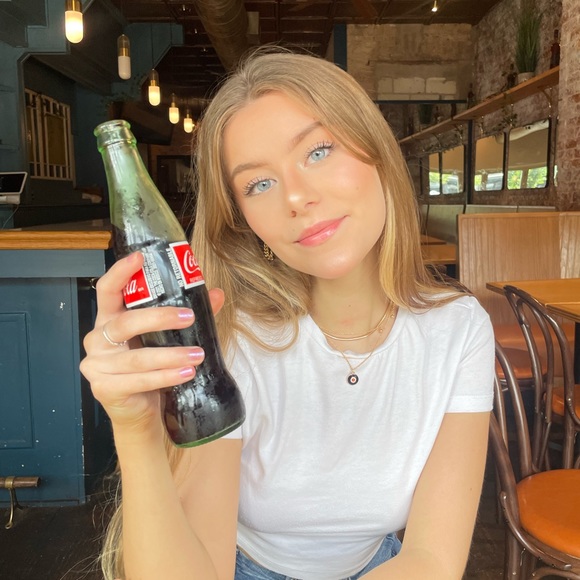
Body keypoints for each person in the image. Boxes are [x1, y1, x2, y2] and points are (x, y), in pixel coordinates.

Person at [80, 48, 495, 580]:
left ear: (377, 151)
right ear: (245, 221)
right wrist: (135, 432)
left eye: (318, 151)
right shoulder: (231, 336)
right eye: (259, 184)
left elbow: (432, 559)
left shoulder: (458, 330)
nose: (296, 197)